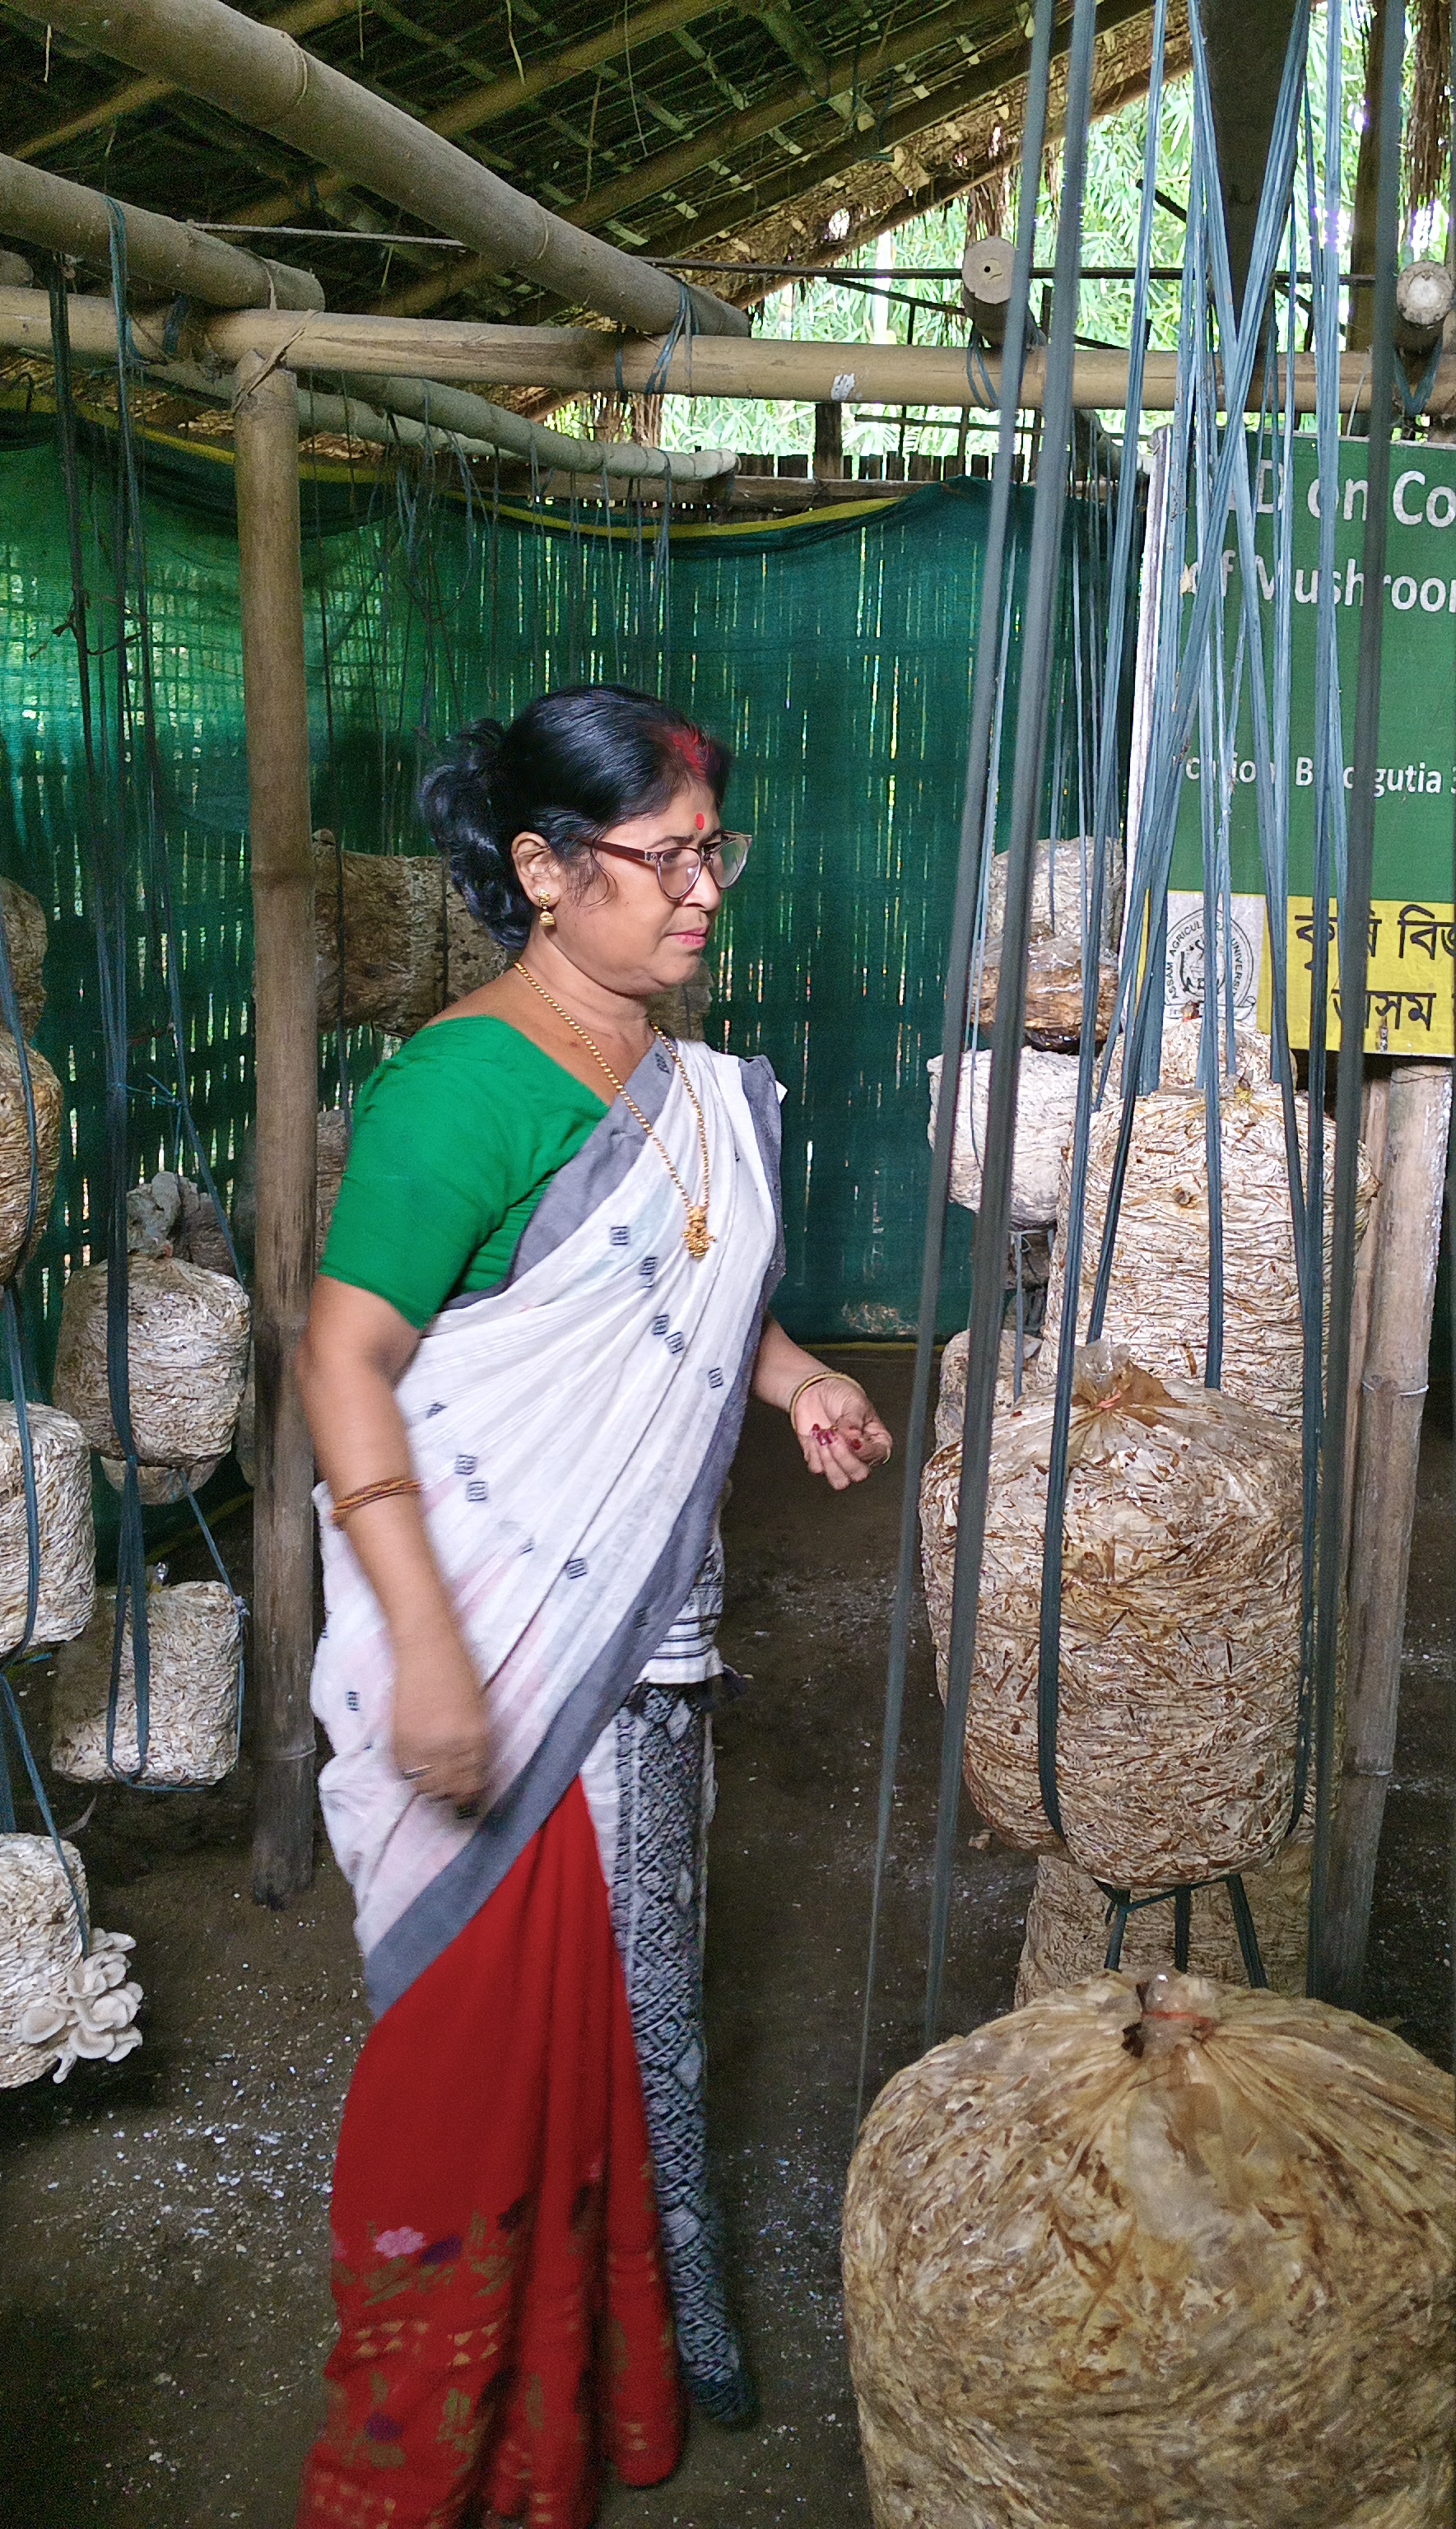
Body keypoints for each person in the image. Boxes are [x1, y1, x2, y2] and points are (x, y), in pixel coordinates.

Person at [293, 685, 892, 2529]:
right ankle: (434, 2448)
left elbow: (682, 1302)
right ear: (547, 874)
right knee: (488, 2049)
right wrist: (433, 1646)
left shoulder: (680, 1087)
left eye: (716, 852)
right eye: (665, 859)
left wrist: (788, 1380)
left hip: (645, 1647)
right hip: (494, 1645)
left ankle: (636, 2357)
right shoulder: (459, 1089)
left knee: (646, 2019)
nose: (705, 892)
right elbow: (345, 1359)